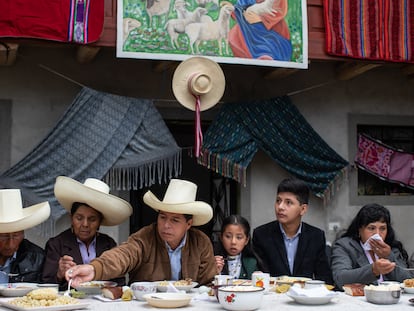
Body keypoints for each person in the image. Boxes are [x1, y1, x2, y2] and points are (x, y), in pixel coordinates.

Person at [64, 179, 217, 286]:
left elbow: (208, 283)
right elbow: (123, 255)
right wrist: (93, 269)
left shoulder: (200, 242)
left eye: (175, 220)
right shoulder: (145, 237)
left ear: (188, 224)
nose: (166, 225)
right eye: (162, 217)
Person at [42, 176, 133, 290]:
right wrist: (59, 274)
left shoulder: (108, 244)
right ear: (71, 218)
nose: (85, 224)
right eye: (79, 218)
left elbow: (119, 280)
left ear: (100, 222)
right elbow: (45, 284)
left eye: (92, 219)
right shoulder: (56, 244)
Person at [252, 178, 333, 284]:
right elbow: (259, 276)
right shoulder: (261, 235)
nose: (280, 207)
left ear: (303, 209)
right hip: (272, 297)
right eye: (278, 201)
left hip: (304, 297)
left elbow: (324, 278)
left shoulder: (316, 236)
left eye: (288, 202)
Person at [331, 203, 414, 289]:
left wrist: (388, 257)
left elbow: (408, 280)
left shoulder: (392, 248)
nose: (377, 234)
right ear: (360, 229)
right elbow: (340, 279)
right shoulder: (345, 246)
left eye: (382, 228)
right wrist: (373, 270)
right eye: (371, 228)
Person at [0, 189, 50, 283]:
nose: (10, 244)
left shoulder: (36, 258)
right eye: (4, 236)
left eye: (16, 236)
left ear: (23, 233)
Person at [214, 215, 258, 279]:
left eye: (239, 237)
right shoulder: (213, 261)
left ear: (246, 240)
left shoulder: (252, 263)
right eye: (228, 236)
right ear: (221, 237)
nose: (233, 242)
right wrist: (214, 272)